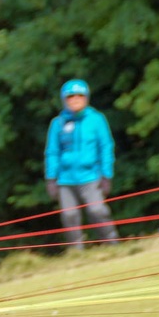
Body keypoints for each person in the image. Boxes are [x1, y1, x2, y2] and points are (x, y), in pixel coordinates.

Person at [44, 78, 119, 249]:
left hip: (91, 176)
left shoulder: (97, 119)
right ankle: (77, 252)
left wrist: (106, 175)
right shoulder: (57, 123)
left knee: (97, 211)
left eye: (80, 96)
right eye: (71, 97)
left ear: (86, 98)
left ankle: (112, 245)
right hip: (66, 179)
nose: (75, 100)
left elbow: (106, 147)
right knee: (69, 216)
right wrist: (51, 178)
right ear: (65, 100)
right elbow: (52, 152)